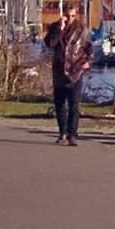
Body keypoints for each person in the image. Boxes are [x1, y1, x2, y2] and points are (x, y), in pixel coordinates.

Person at [45, 15, 90, 146]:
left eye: (73, 16)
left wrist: (88, 62)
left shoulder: (81, 29)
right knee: (59, 104)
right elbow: (50, 44)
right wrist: (59, 29)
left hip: (75, 71)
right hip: (59, 72)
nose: (70, 18)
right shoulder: (55, 27)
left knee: (74, 104)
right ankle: (62, 133)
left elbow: (89, 48)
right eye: (68, 16)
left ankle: (72, 134)